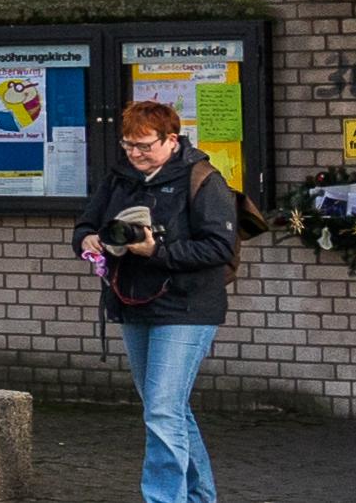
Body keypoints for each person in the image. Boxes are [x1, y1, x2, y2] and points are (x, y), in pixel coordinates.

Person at [75, 98, 240, 503]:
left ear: (171, 140)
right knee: (169, 411)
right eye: (128, 145)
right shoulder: (118, 178)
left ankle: (163, 499)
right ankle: (200, 497)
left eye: (144, 146)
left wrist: (158, 252)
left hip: (186, 307)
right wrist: (89, 240)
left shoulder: (202, 179)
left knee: (163, 412)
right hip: (133, 302)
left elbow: (220, 246)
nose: (135, 154)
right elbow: (84, 224)